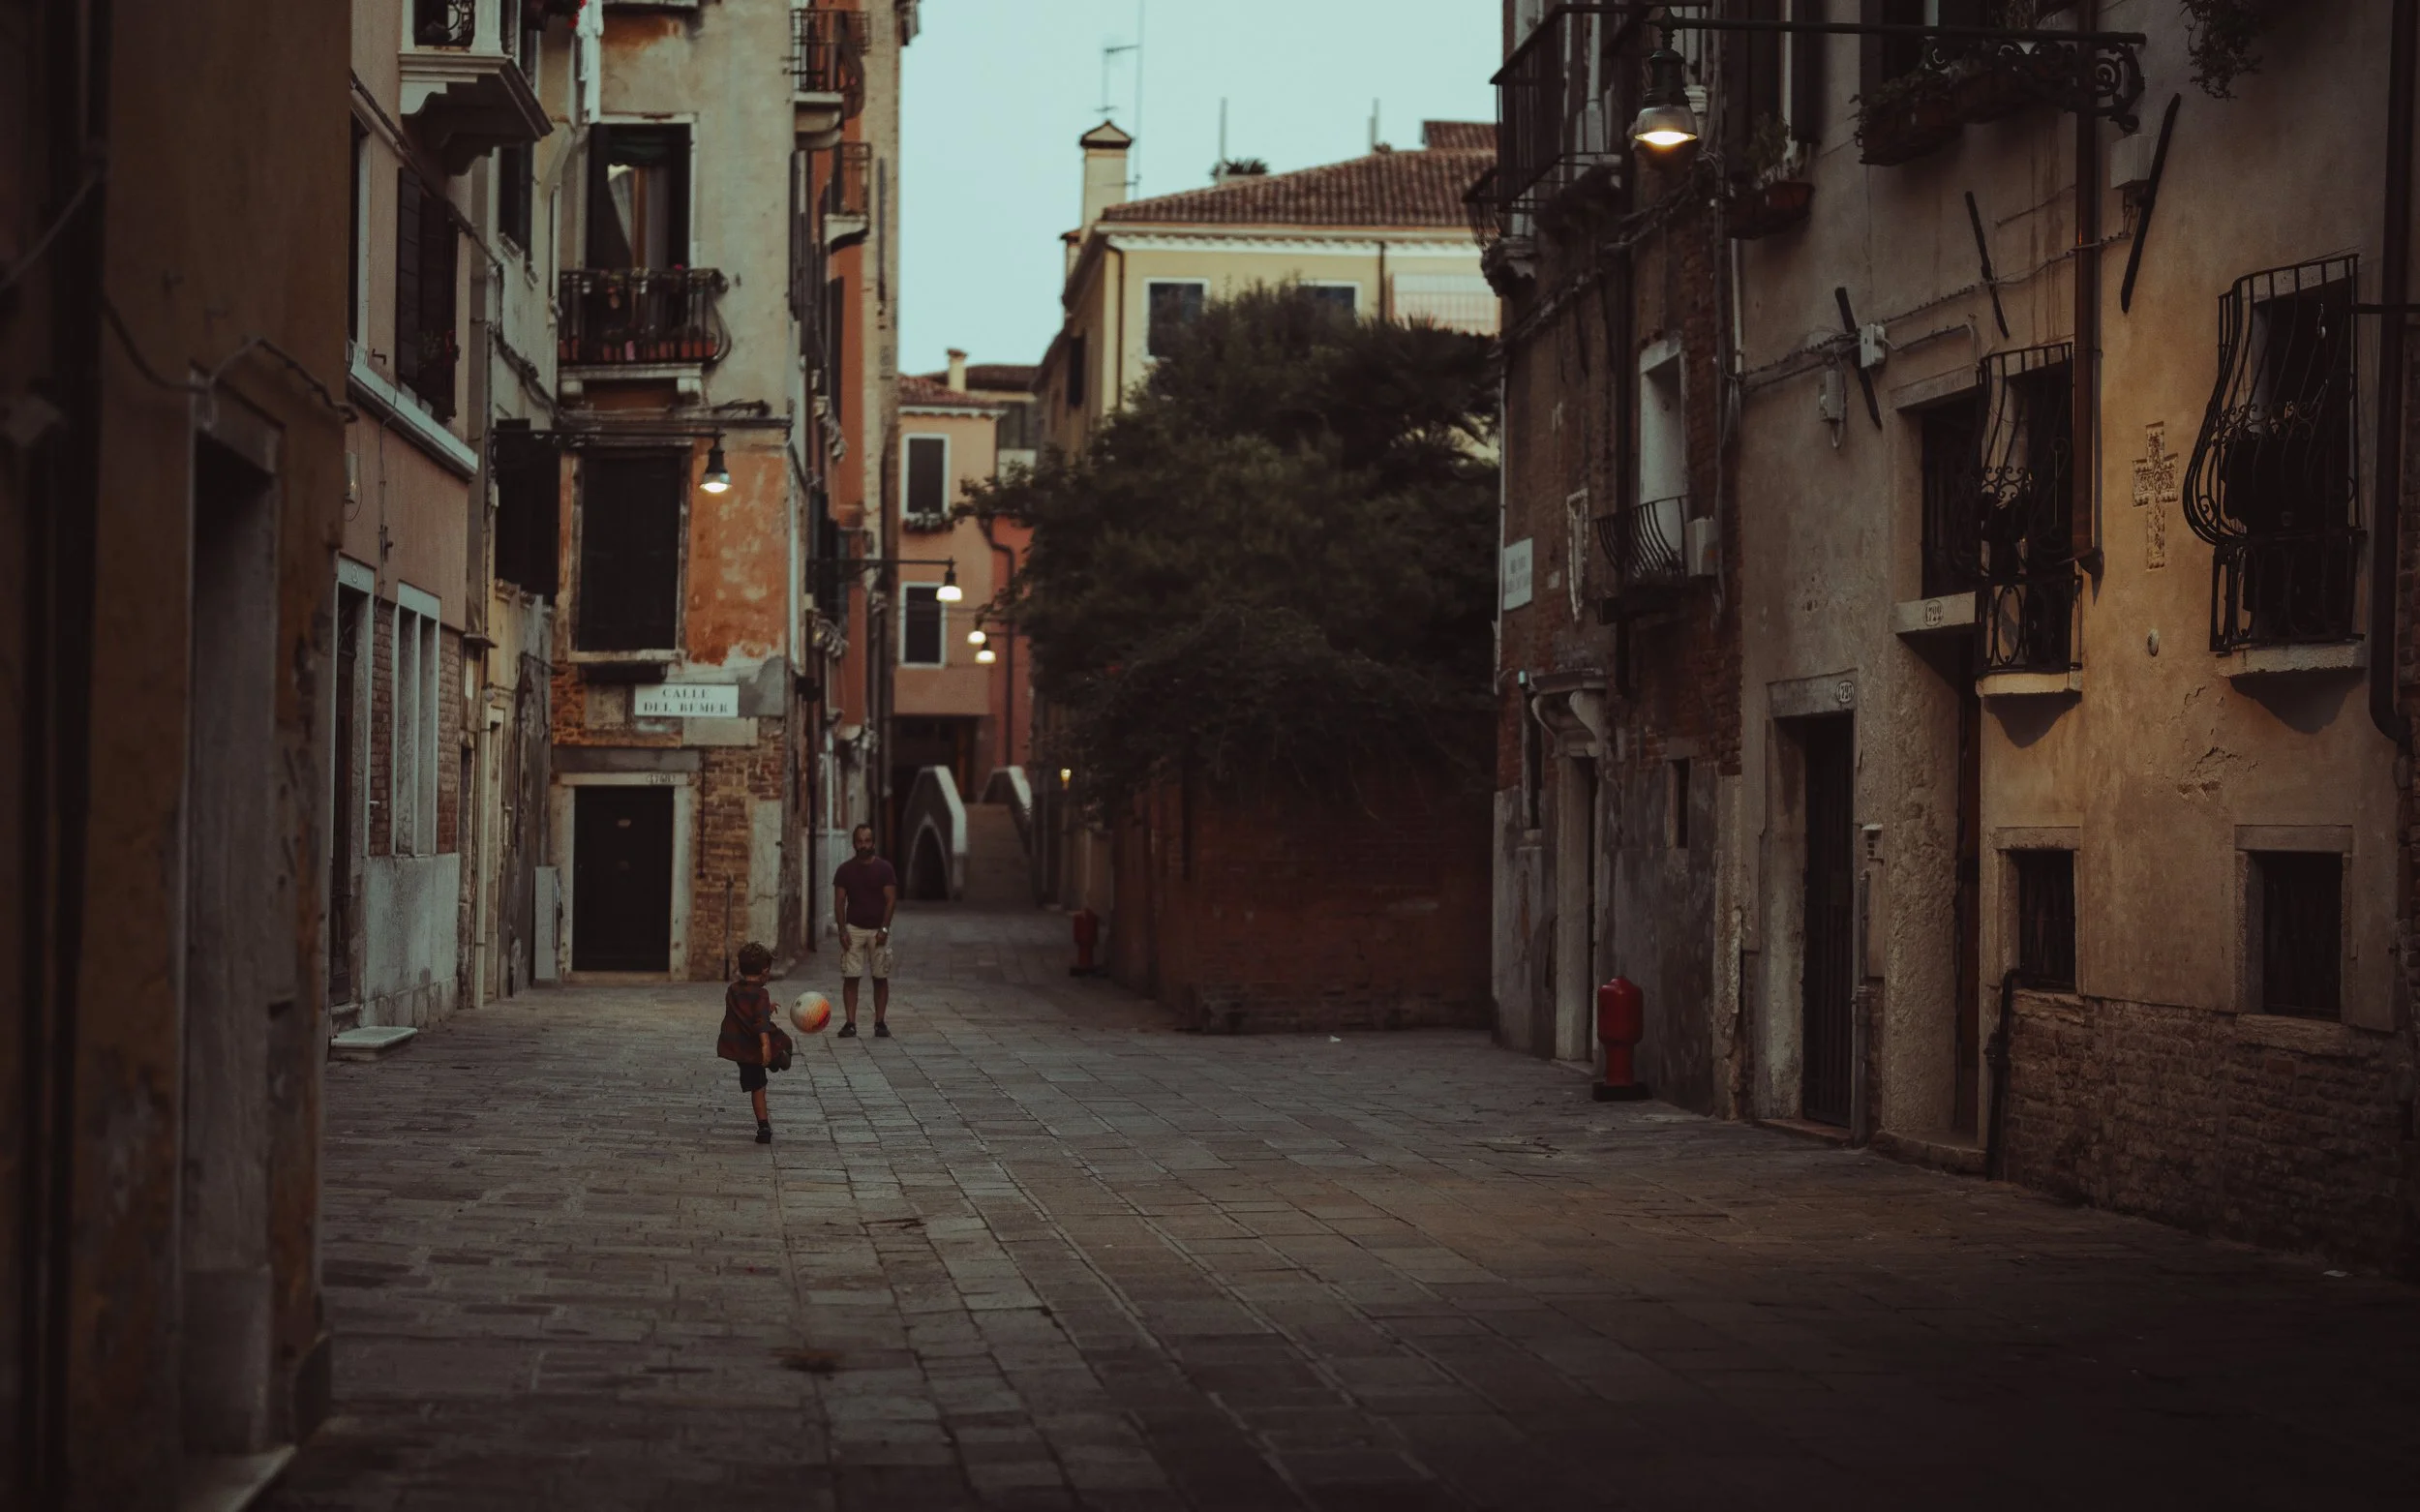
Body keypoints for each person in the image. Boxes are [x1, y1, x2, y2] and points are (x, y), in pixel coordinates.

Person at [832, 823, 897, 1038]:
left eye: (867, 841)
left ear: (873, 843)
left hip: (878, 930)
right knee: (851, 976)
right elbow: (839, 902)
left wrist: (885, 929)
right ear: (854, 843)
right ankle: (850, 1022)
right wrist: (842, 931)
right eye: (860, 841)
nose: (863, 845)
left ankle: (880, 1022)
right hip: (854, 929)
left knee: (880, 976)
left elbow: (890, 901)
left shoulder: (885, 869)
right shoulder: (844, 871)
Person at [716, 942, 786, 1143]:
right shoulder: (762, 994)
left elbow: (744, 1011)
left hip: (739, 1050)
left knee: (756, 1083)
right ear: (765, 972)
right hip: (754, 1048)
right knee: (759, 1087)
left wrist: (766, 1008)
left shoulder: (732, 990)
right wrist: (765, 1047)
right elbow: (761, 1025)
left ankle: (777, 1059)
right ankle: (763, 1126)